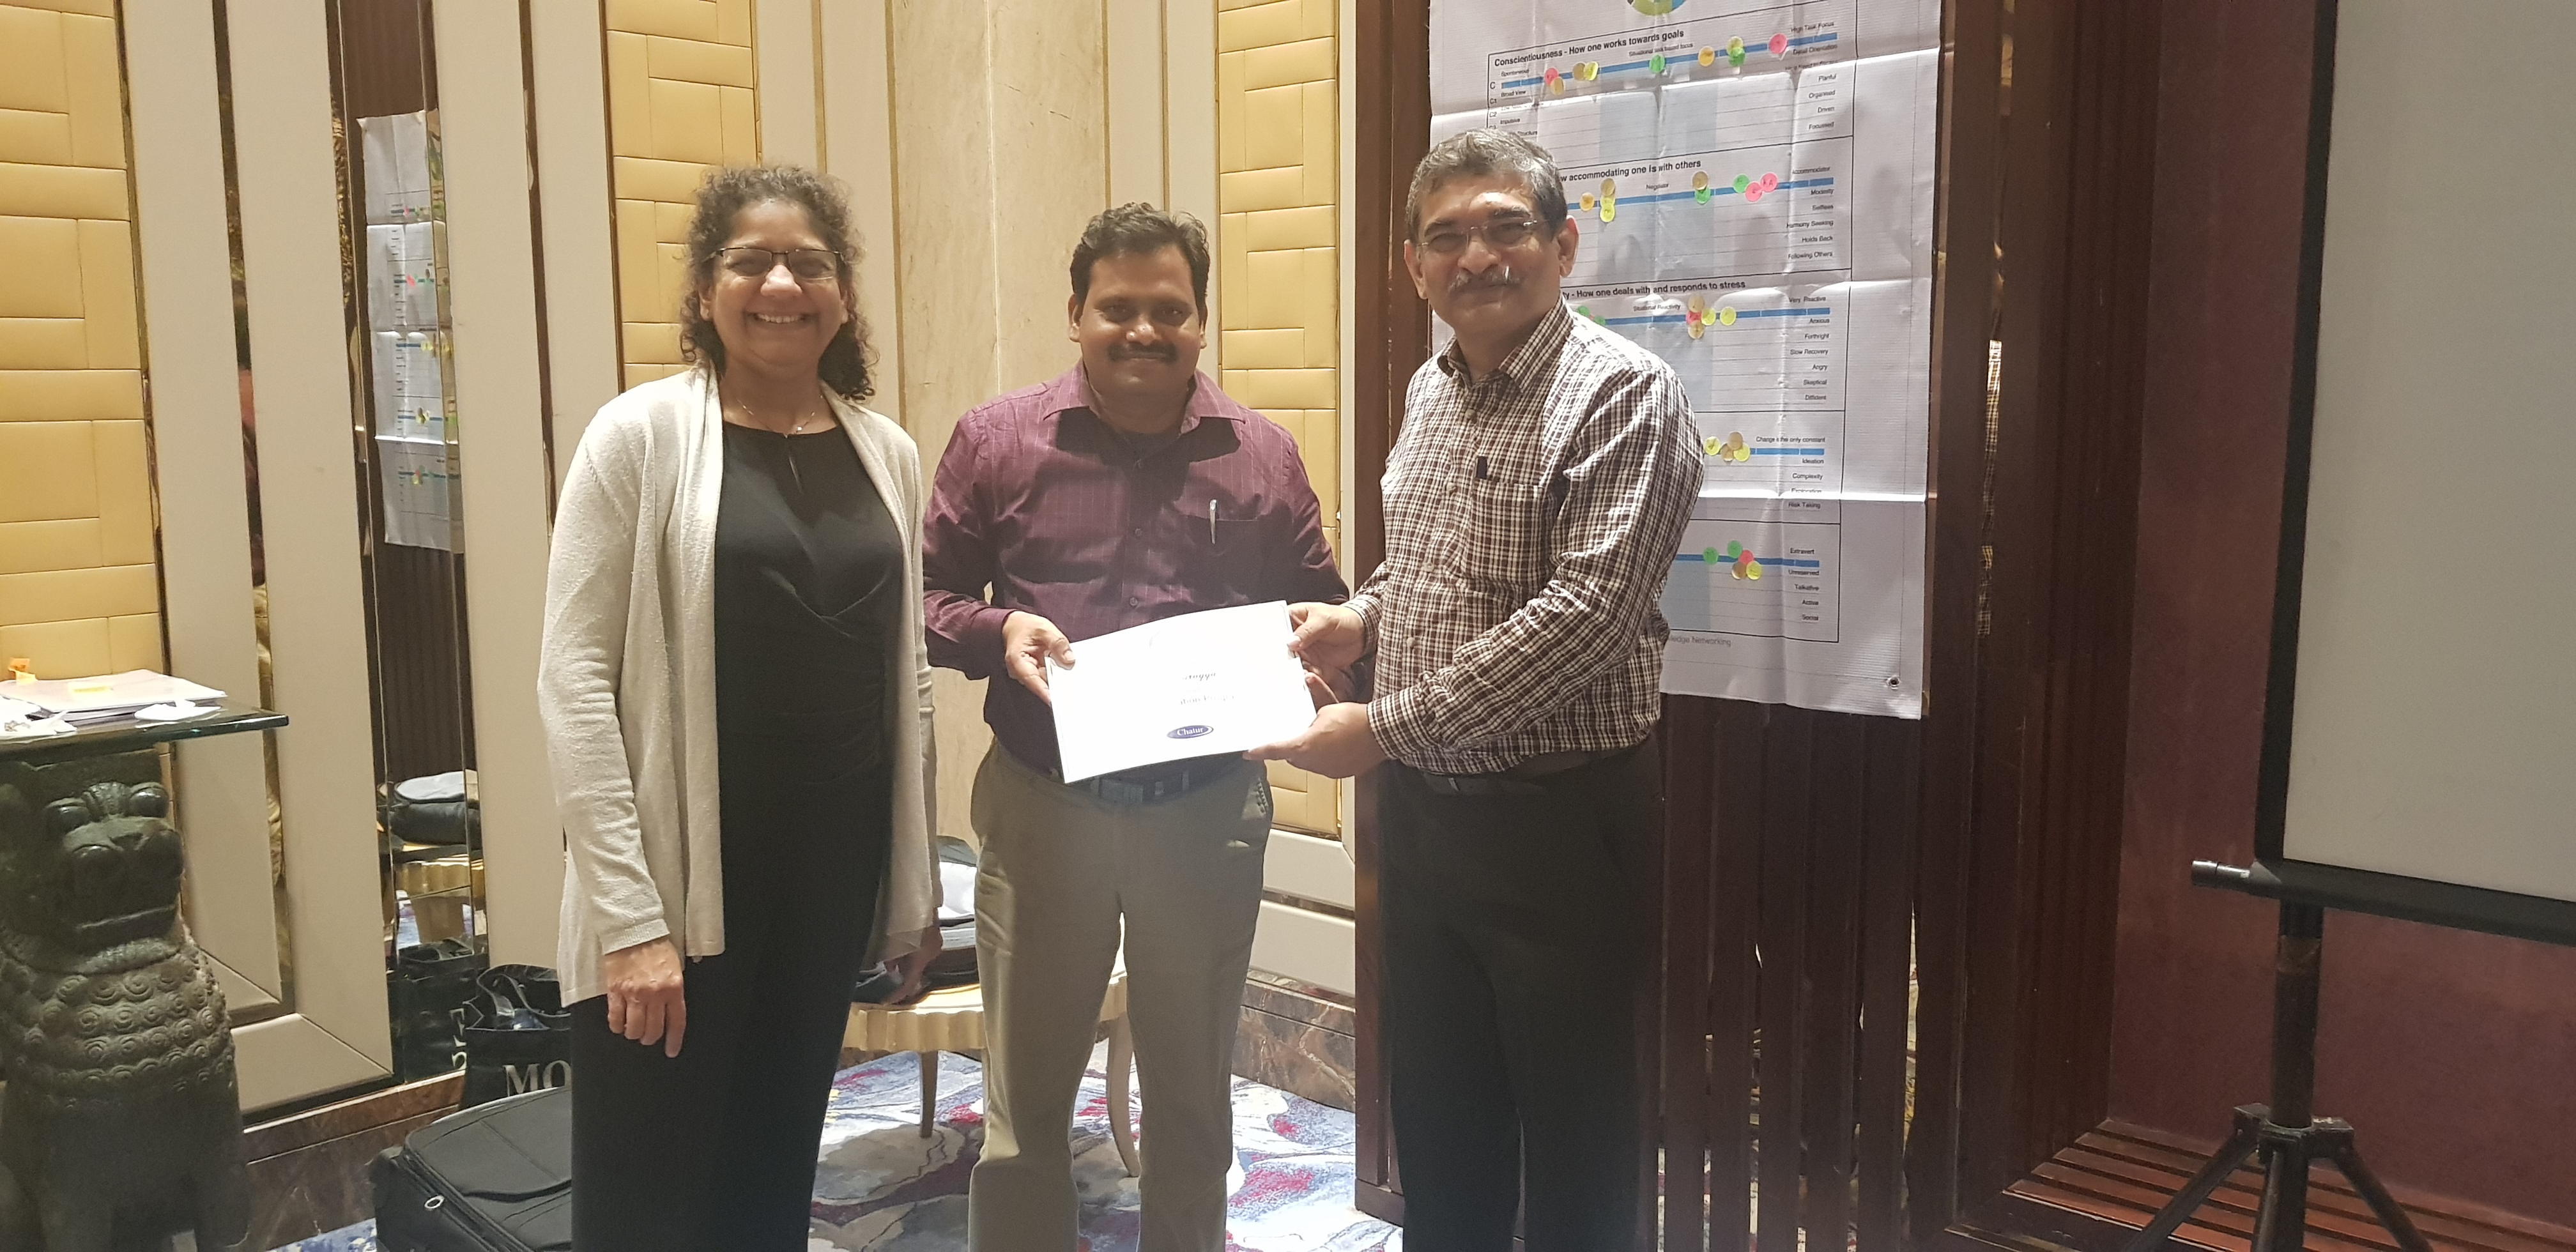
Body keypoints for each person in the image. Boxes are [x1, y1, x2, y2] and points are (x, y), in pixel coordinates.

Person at [1250, 128, 1700, 1248]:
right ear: (1415, 266)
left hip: (1561, 822)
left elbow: (1585, 618)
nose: (1477, 256)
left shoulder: (1625, 394)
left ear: (1564, 246)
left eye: (1507, 227)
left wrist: (1385, 729)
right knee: (1442, 1116)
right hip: (1427, 823)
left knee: (1576, 1136)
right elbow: (1430, 565)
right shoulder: (1432, 387)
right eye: (1446, 237)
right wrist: (1363, 616)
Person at [923, 202, 1346, 1251]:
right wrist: (998, 628)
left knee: (1193, 1095)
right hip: (1042, 804)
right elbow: (926, 602)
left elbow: (1321, 608)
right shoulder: (997, 441)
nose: (1144, 330)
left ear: (1202, 321)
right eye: (1118, 308)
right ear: (1076, 313)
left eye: (1170, 309)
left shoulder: (1262, 456)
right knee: (1025, 1101)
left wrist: (1318, 658)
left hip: (1205, 813)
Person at [539, 164, 940, 1250]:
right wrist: (629, 924)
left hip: (827, 874)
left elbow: (904, 676)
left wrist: (909, 888)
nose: (781, 285)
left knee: (769, 1171)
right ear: (705, 290)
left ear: (842, 293)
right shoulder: (637, 438)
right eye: (751, 262)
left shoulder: (887, 452)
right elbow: (572, 682)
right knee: (650, 1190)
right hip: (680, 884)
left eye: (809, 264)